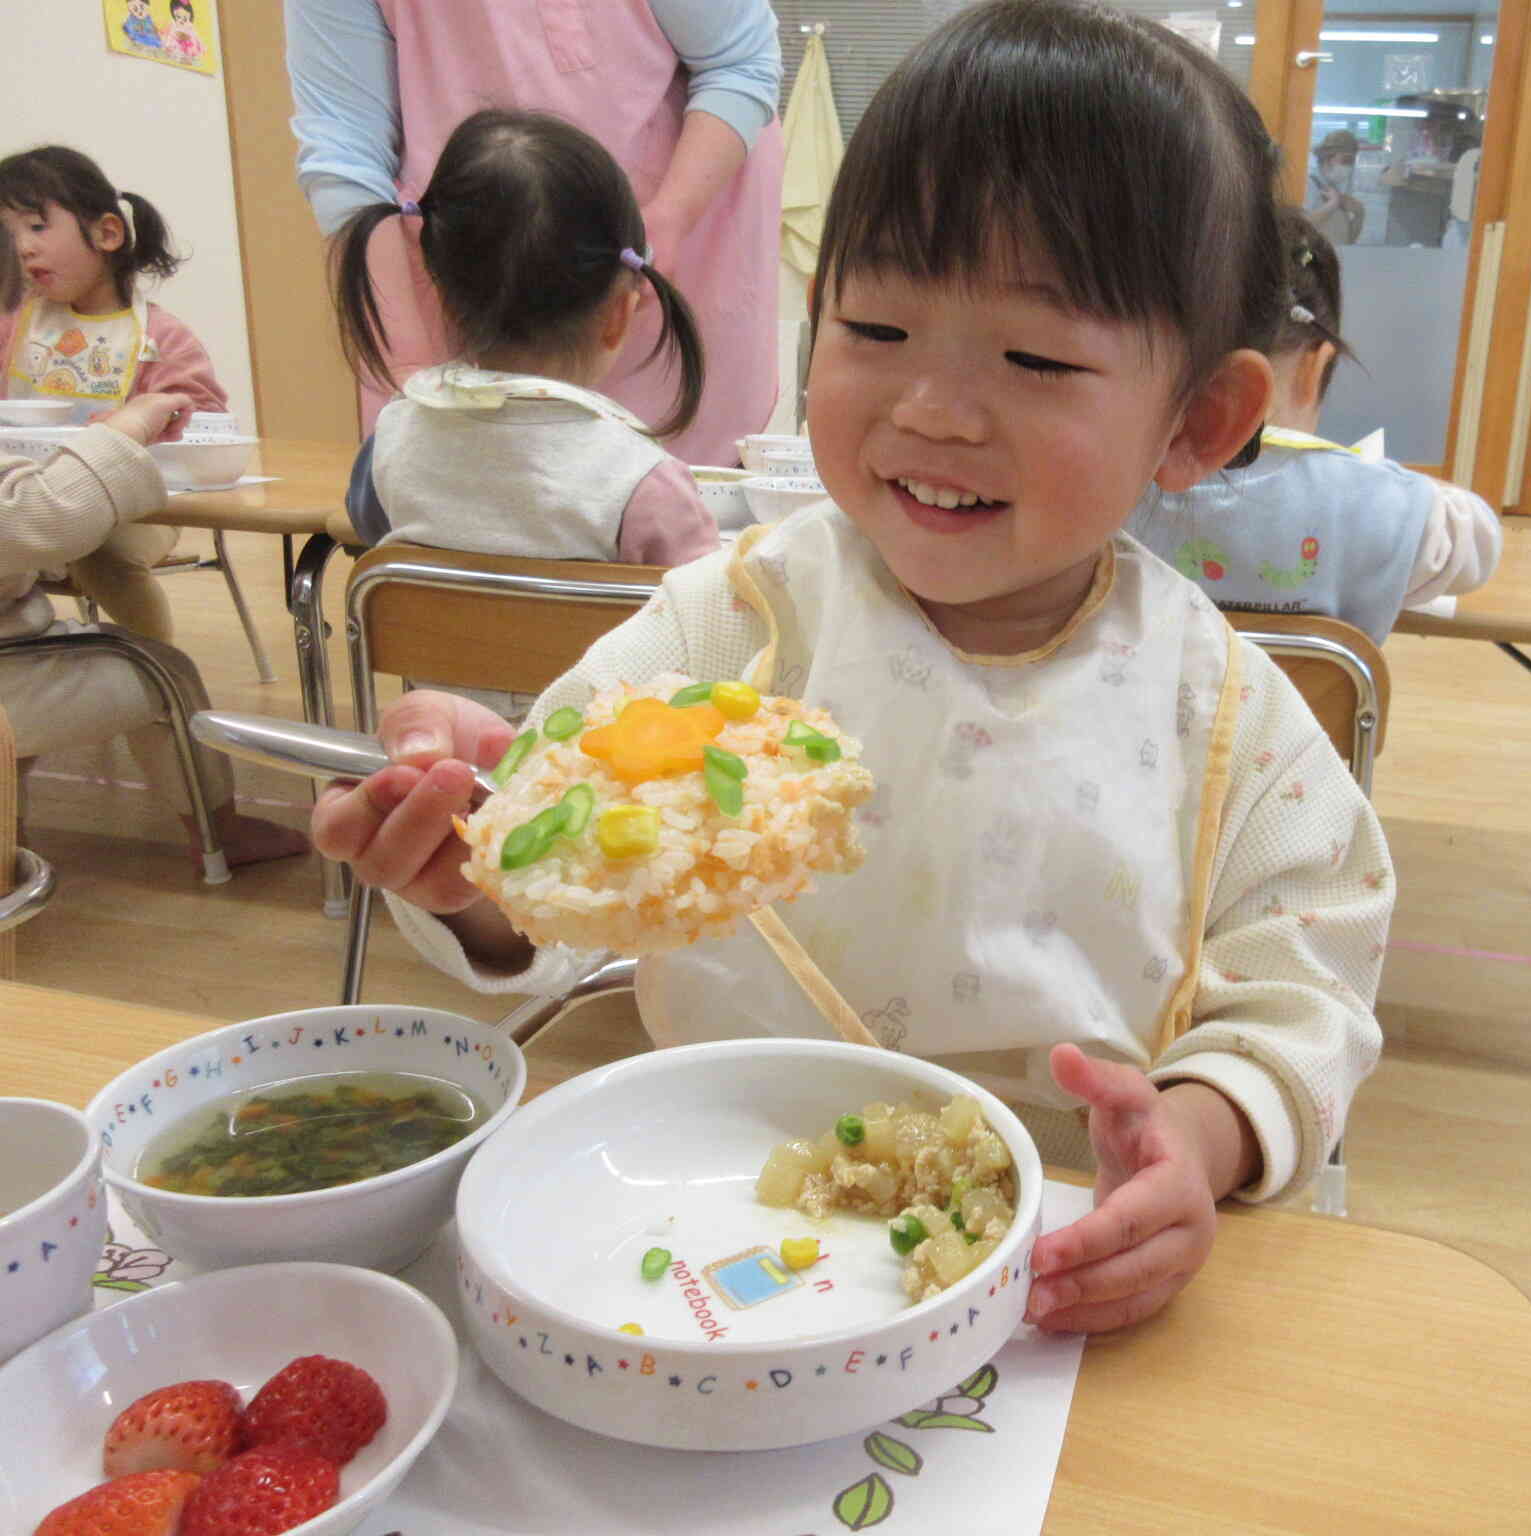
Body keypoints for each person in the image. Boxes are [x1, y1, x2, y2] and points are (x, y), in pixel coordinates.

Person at [312, 0, 1392, 1336]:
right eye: (873, 332)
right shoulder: (733, 624)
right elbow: (550, 897)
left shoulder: (1220, 706)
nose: (930, 410)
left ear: (1200, 421)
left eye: (1037, 358)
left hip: (1059, 1245)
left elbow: (1312, 982)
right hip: (719, 1215)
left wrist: (1200, 1136)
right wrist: (468, 860)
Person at [333, 109, 723, 718]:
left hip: (440, 749)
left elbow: (376, 529)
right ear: (620, 312)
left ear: (439, 290)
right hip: (594, 775)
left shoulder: (390, 436)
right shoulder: (642, 480)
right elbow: (711, 627)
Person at [285, 0, 784, 467]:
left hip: (668, 260)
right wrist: (409, 373)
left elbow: (739, 60)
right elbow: (345, 144)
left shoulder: (652, 493)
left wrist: (672, 216)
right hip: (470, 277)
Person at [1129, 206, 1501, 644]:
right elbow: (1480, 544)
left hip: (1139, 714)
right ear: (1315, 367)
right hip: (1307, 714)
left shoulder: (1113, 489)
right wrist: (1380, 481)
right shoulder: (1370, 503)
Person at [1, 392, 307, 870]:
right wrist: (126, 428)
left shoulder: (158, 331)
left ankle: (9, 845)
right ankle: (219, 831)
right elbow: (42, 517)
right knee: (165, 672)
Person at [1, 146, 232, 646]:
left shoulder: (163, 336)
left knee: (106, 555)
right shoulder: (13, 324)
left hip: (136, 505)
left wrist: (140, 422)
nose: (22, 247)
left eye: (36, 227)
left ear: (107, 233)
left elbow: (206, 421)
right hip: (31, 497)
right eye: (8, 234)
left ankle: (160, 677)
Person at [1306, 129, 1363, 247]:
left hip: (1335, 260)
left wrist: (1359, 214)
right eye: (1346, 160)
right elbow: (1300, 228)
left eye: (1352, 162)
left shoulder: (1336, 189)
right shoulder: (1309, 184)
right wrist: (1332, 205)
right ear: (1328, 158)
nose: (1349, 167)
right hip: (1314, 261)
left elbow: (1348, 241)